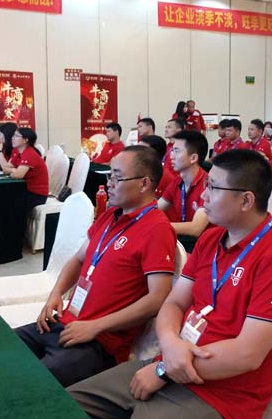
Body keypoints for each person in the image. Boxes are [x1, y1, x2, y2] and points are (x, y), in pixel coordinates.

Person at [68, 149, 272, 419]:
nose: (204, 197)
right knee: (66, 402)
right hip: (172, 362)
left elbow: (247, 354)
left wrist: (164, 371)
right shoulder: (210, 240)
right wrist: (169, 343)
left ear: (246, 200)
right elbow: (174, 303)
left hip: (222, 394)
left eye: (214, 188)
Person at [16, 146, 176, 387]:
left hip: (98, 342)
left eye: (116, 177)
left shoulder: (157, 229)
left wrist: (95, 327)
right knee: (5, 349)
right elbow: (78, 259)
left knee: (31, 384)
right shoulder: (110, 216)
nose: (108, 183)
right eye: (109, 175)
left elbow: (158, 298)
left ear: (144, 184)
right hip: (64, 322)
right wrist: (56, 294)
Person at [158, 131, 210, 237]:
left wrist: (156, 226)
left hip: (206, 241)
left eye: (176, 151)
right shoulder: (177, 181)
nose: (171, 156)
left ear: (193, 158)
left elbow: (196, 228)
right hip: (186, 239)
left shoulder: (208, 185)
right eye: (172, 150)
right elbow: (157, 207)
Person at [0, 127, 50, 215]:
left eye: (16, 136)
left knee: (5, 202)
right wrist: (14, 170)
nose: (12, 138)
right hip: (25, 190)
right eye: (13, 135)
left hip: (36, 195)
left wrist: (14, 171)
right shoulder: (18, 152)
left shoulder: (30, 153)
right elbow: (6, 169)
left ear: (25, 140)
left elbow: (18, 175)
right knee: (0, 196)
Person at [139, 135, 174, 200]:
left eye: (141, 150)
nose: (136, 153)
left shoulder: (167, 178)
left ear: (155, 154)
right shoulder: (135, 171)